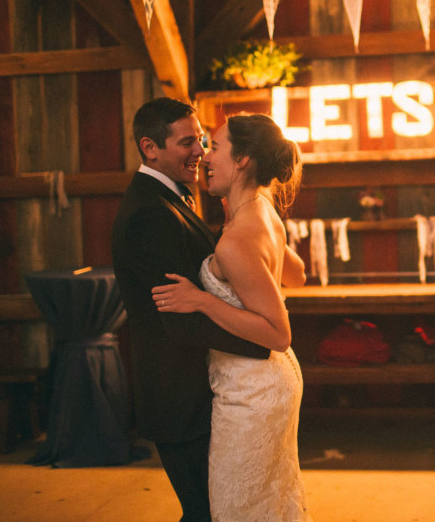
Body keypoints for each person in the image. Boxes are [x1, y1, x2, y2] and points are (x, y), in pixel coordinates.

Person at [112, 98, 272, 520]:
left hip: (200, 390)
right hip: (179, 395)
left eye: (201, 140)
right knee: (205, 512)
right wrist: (261, 343)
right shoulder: (150, 213)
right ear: (150, 147)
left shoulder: (171, 200)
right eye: (187, 142)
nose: (200, 151)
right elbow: (178, 321)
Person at [151, 113, 311, 520]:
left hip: (253, 391)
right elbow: (298, 275)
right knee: (272, 501)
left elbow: (278, 334)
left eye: (216, 147)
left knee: (237, 507)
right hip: (272, 381)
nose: (206, 156)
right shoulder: (262, 212)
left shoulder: (238, 238)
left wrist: (203, 300)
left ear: (241, 161)